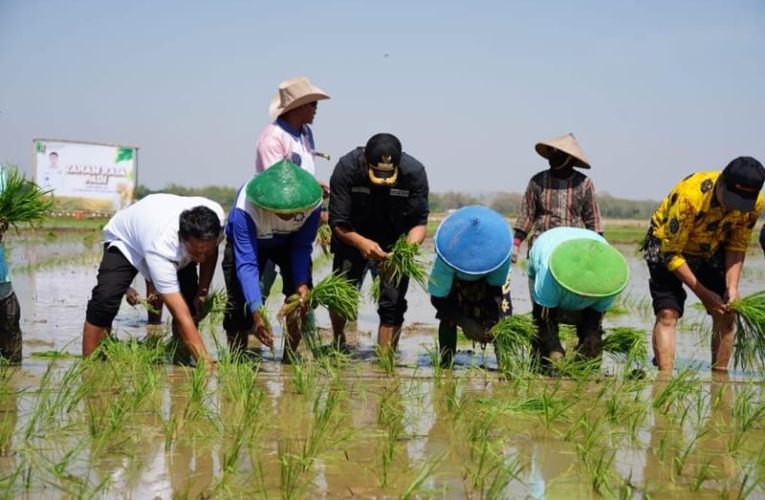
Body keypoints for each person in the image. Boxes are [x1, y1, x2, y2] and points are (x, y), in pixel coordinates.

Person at [643, 156, 764, 372]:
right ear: (721, 183)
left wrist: (732, 287)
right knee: (668, 312)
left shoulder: (755, 204)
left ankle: (719, 378)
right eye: (730, 199)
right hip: (667, 244)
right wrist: (705, 295)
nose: (732, 207)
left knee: (727, 311)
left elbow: (737, 245)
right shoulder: (691, 196)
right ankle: (665, 379)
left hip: (711, 246)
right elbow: (671, 254)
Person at [82, 194, 225, 366]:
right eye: (196, 252)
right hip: (126, 241)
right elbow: (180, 314)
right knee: (105, 300)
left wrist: (202, 291)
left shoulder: (215, 219)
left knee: (191, 305)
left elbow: (210, 253)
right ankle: (90, 366)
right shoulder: (162, 246)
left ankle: (181, 362)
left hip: (158, 225)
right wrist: (206, 364)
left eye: (205, 251)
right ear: (182, 238)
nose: (201, 258)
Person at [329, 133, 429, 352]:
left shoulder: (414, 173)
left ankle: (386, 359)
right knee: (339, 295)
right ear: (366, 160)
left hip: (394, 242)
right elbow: (337, 222)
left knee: (392, 304)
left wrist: (404, 253)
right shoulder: (347, 169)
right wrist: (361, 243)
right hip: (351, 236)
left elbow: (419, 223)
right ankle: (338, 340)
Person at [222, 160, 322, 362]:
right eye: (282, 213)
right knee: (238, 303)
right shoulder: (246, 208)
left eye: (294, 212)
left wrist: (301, 283)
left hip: (290, 243)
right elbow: (247, 264)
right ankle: (238, 361)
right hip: (252, 244)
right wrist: (257, 313)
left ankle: (290, 359)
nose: (289, 216)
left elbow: (302, 247)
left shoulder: (313, 203)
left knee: (298, 299)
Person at [255, 76, 331, 298]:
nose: (316, 109)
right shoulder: (273, 138)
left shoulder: (306, 134)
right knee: (260, 288)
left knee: (301, 291)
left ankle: (301, 333)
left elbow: (299, 174)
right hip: (270, 226)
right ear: (297, 107)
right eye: (313, 104)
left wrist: (313, 187)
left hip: (299, 225)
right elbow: (276, 185)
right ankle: (253, 330)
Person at [527, 226, 629, 369]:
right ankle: (540, 364)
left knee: (591, 337)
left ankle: (586, 363)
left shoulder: (609, 282)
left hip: (593, 250)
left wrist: (589, 345)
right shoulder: (548, 275)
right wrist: (554, 351)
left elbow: (593, 323)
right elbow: (543, 318)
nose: (582, 297)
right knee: (543, 332)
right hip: (549, 244)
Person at [428, 205, 513, 367]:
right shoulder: (446, 258)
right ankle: (446, 364)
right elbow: (437, 298)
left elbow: (495, 292)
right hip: (456, 279)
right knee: (447, 318)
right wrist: (463, 321)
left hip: (488, 279)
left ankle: (505, 365)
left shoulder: (500, 255)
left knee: (501, 322)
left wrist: (490, 323)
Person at [513, 133, 602, 262]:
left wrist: (599, 248)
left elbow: (593, 220)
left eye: (559, 154)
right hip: (541, 248)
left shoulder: (584, 183)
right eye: (552, 153)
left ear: (570, 159)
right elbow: (526, 216)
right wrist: (516, 244)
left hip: (573, 249)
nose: (553, 157)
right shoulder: (537, 181)